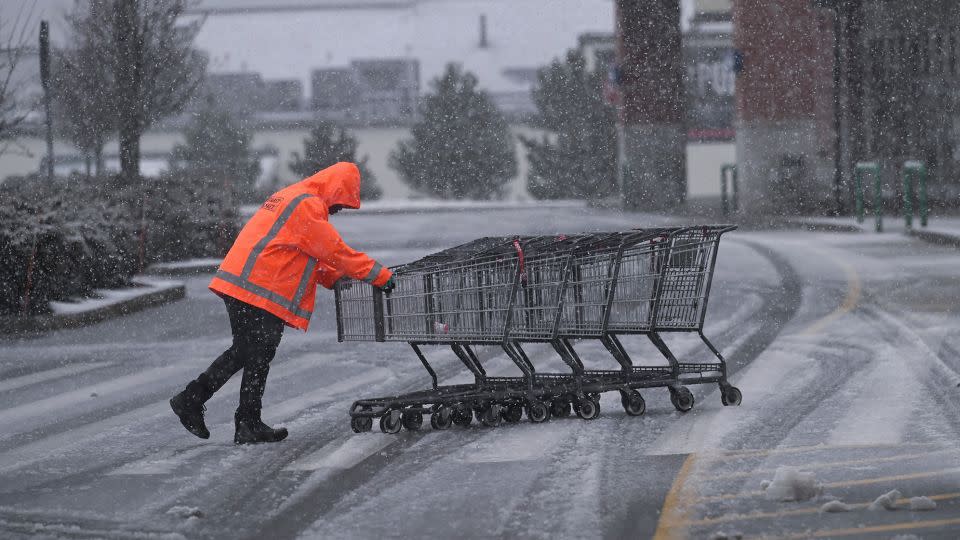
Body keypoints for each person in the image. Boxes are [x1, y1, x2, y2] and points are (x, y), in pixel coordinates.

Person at [170, 162, 395, 444]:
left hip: (246, 284)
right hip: (256, 287)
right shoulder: (307, 205)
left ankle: (239, 419)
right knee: (254, 351)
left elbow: (304, 254)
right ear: (335, 189)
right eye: (341, 203)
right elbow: (335, 251)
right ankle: (199, 402)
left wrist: (335, 280)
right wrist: (381, 276)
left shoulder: (295, 196)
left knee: (251, 352)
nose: (338, 210)